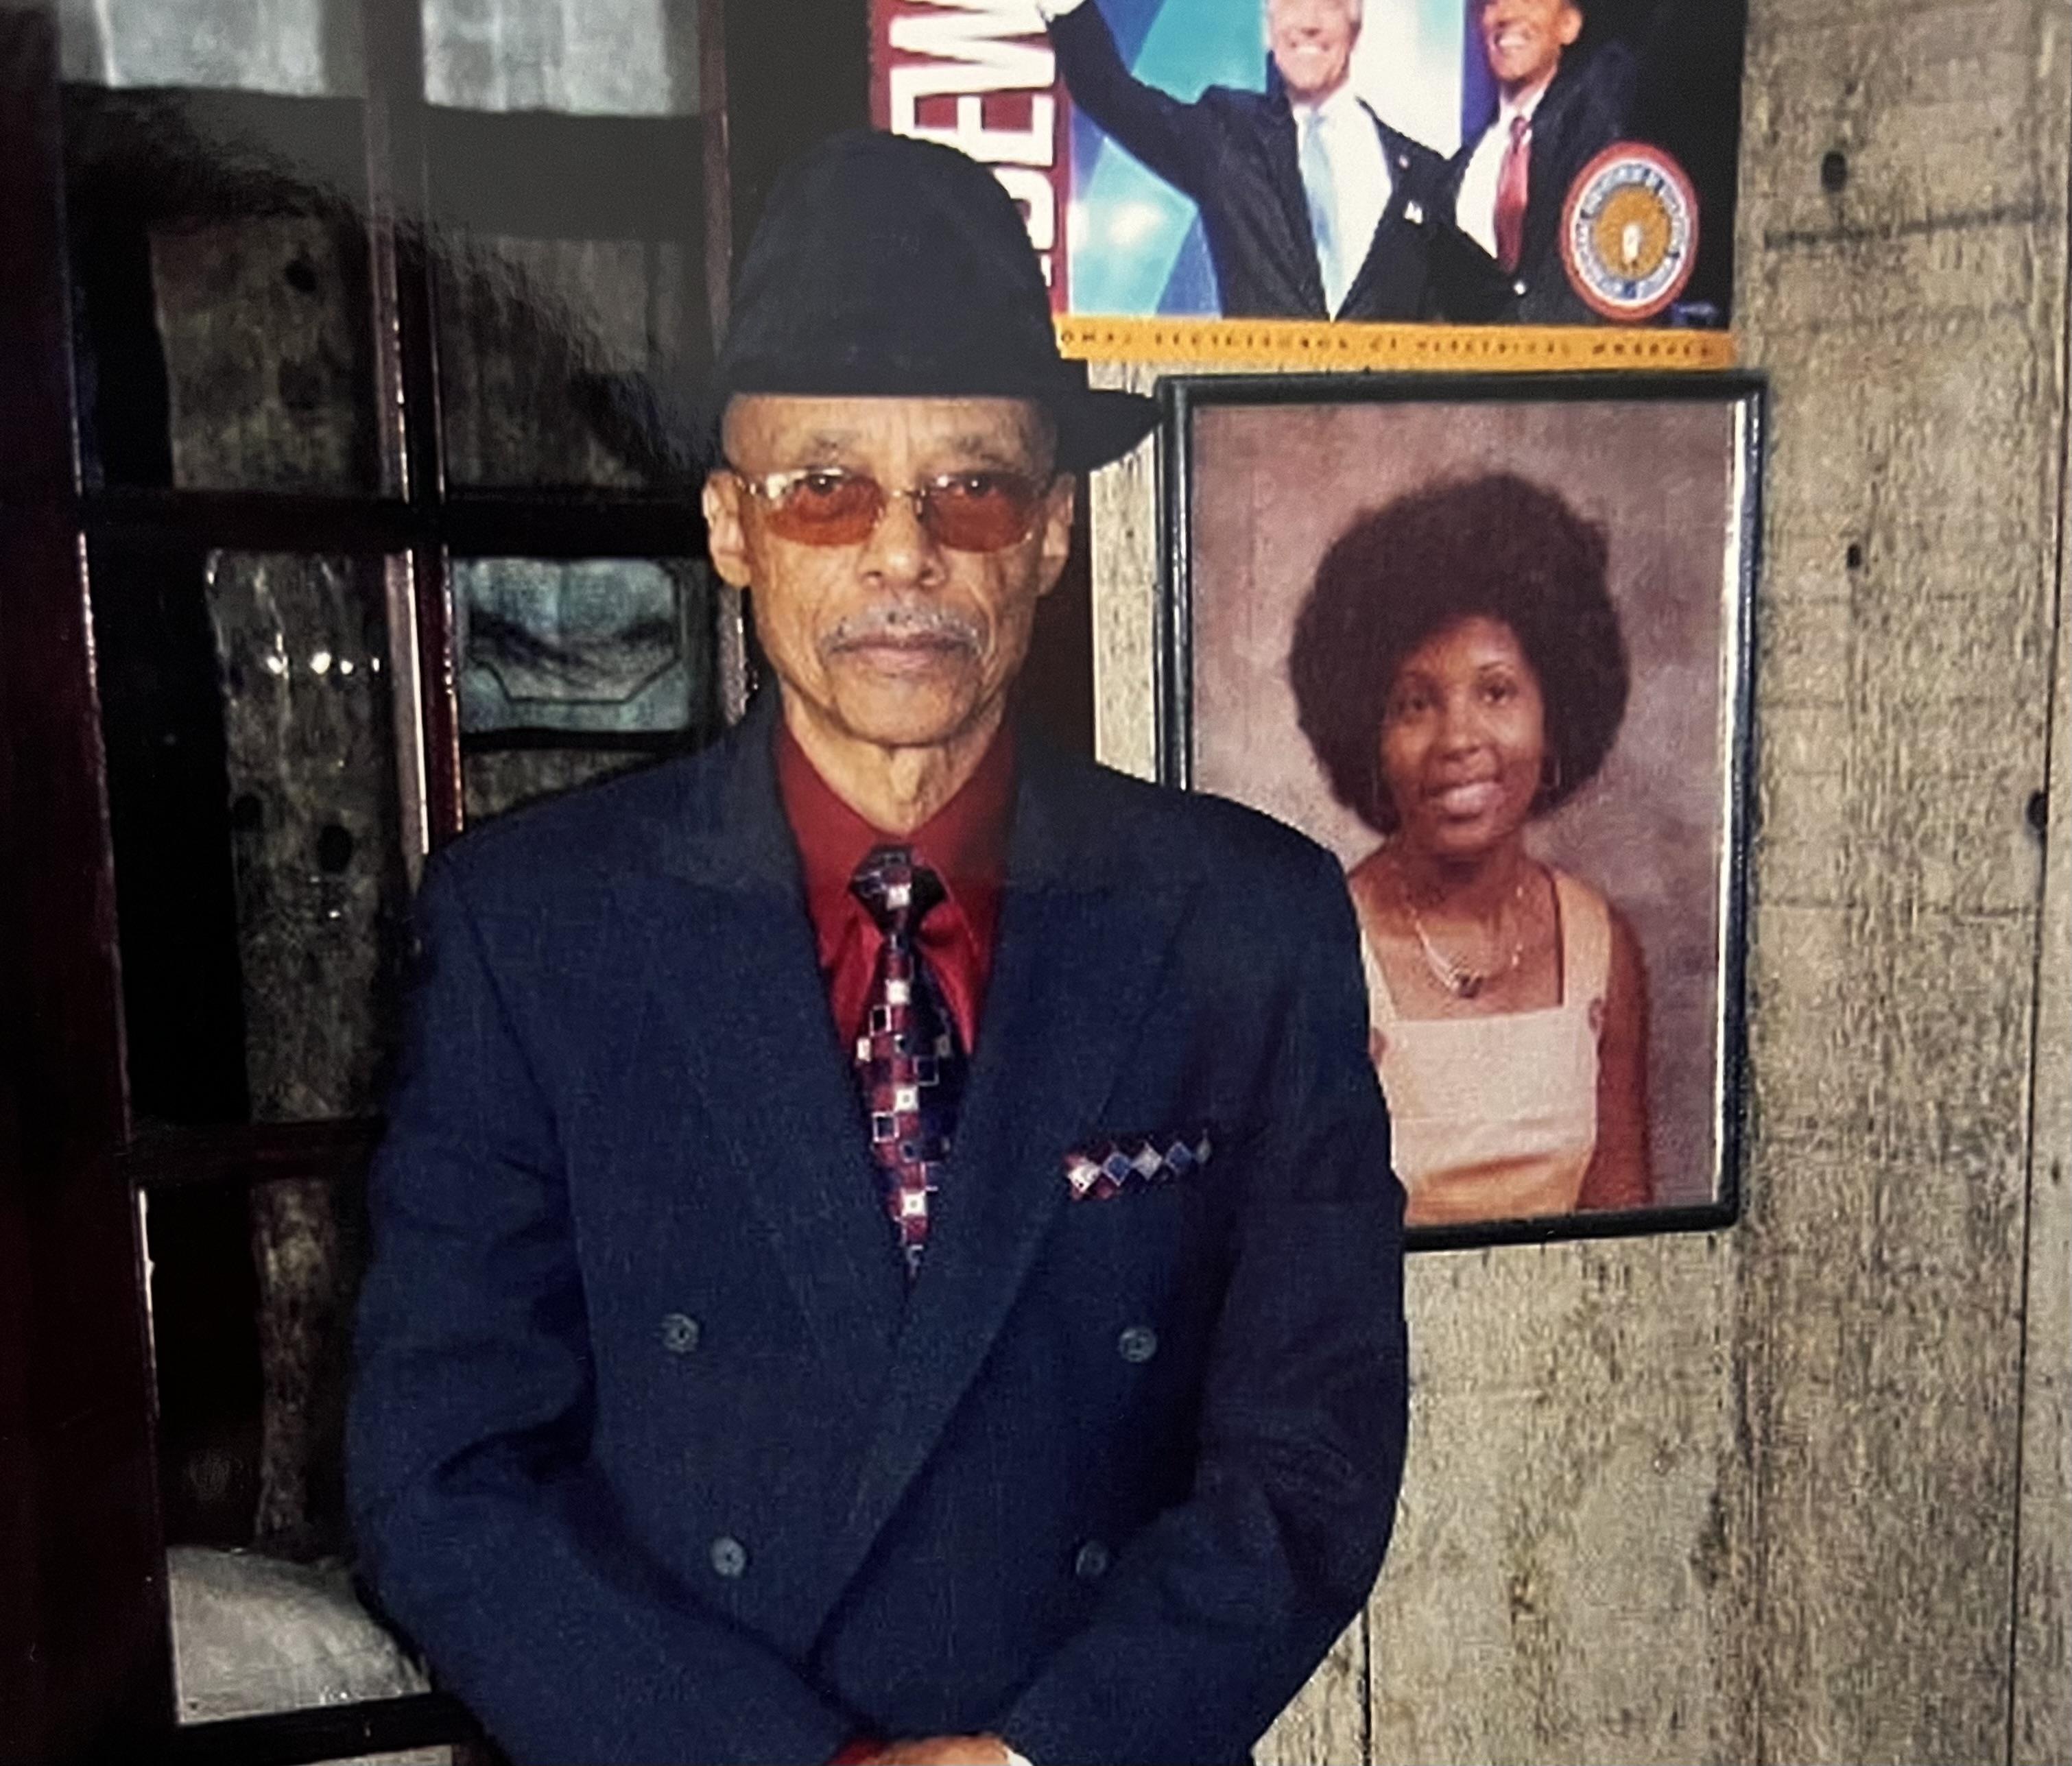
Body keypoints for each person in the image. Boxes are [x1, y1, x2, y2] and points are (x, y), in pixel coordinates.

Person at [348, 130, 1406, 1766]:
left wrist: (1043, 1750)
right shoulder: (534, 931)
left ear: (1048, 530)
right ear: (732, 526)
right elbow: (441, 1472)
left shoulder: (1245, 919)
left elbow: (1311, 1451)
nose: (900, 554)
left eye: (969, 487)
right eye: (824, 487)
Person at [1287, 473, 1652, 1228]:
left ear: (1555, 711)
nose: (1457, 739)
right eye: (1415, 703)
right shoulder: (1320, 952)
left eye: (1496, 692)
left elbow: (1630, 1245)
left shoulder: (1602, 948)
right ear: (1369, 735)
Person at [1040, 0, 1443, 321]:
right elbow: (1109, 94)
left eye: (1328, 4)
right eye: (1292, 3)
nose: (1309, 23)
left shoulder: (1423, 173)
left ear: (1355, 23)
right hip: (1258, 397)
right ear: (1269, 26)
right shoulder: (1226, 135)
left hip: (1386, 401)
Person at [1425, 0, 1637, 325]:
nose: (1507, 14)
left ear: (1568, 24)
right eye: (1492, 3)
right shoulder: (1457, 175)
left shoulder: (1599, 136)